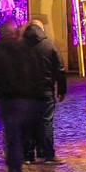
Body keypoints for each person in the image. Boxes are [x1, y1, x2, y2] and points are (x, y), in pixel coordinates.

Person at [0, 21, 44, 172]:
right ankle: (17, 169)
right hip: (16, 99)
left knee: (13, 137)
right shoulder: (22, 50)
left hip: (12, 99)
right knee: (16, 136)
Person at [24, 20, 67, 164]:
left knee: (28, 123)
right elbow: (60, 69)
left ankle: (28, 156)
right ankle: (48, 154)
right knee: (46, 122)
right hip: (45, 90)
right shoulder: (49, 44)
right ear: (42, 29)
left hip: (26, 92)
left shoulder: (20, 47)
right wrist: (61, 89)